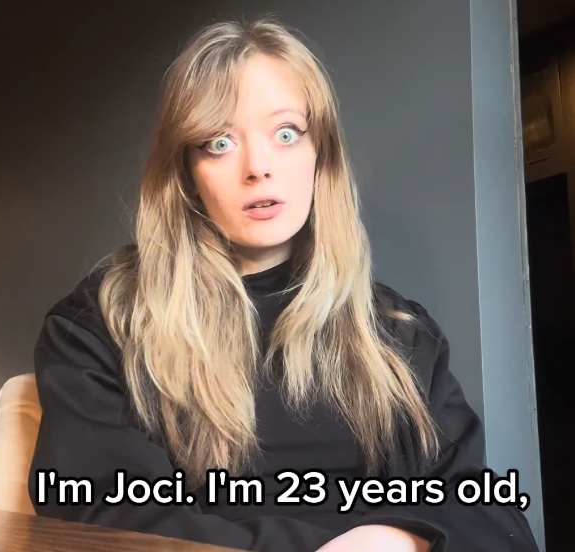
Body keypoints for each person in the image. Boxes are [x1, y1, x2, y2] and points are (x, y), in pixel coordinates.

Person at [28, 17, 539, 552]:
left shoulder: (400, 335)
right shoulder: (99, 327)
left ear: (321, 155)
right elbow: (100, 514)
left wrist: (398, 540)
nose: (258, 167)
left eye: (287, 133)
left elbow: (491, 517)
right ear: (186, 175)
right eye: (219, 142)